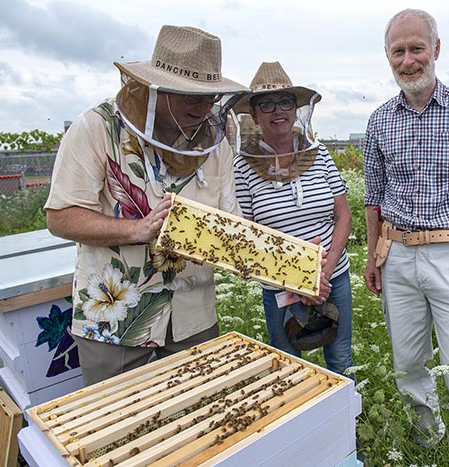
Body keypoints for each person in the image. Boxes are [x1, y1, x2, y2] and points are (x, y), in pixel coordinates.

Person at [44, 25, 249, 386]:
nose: (203, 107)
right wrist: (135, 230)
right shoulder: (97, 127)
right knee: (115, 423)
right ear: (157, 90)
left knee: (198, 415)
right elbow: (60, 217)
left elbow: (230, 225)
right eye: (190, 95)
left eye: (210, 96)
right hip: (117, 316)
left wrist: (274, 262)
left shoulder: (216, 144)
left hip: (192, 315)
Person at [362, 9, 449, 466]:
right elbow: (374, 197)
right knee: (408, 364)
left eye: (416, 48)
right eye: (398, 51)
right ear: (387, 57)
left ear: (437, 50)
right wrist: (373, 258)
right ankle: (425, 440)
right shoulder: (379, 119)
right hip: (397, 254)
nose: (408, 60)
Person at [232, 61, 353, 376]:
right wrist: (299, 277)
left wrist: (322, 273)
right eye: (267, 104)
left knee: (340, 360)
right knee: (289, 367)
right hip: (281, 287)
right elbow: (247, 236)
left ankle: (343, 423)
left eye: (285, 101)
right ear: (254, 115)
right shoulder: (243, 166)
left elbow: (343, 217)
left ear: (297, 107)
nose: (278, 111)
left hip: (333, 277)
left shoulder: (320, 153)